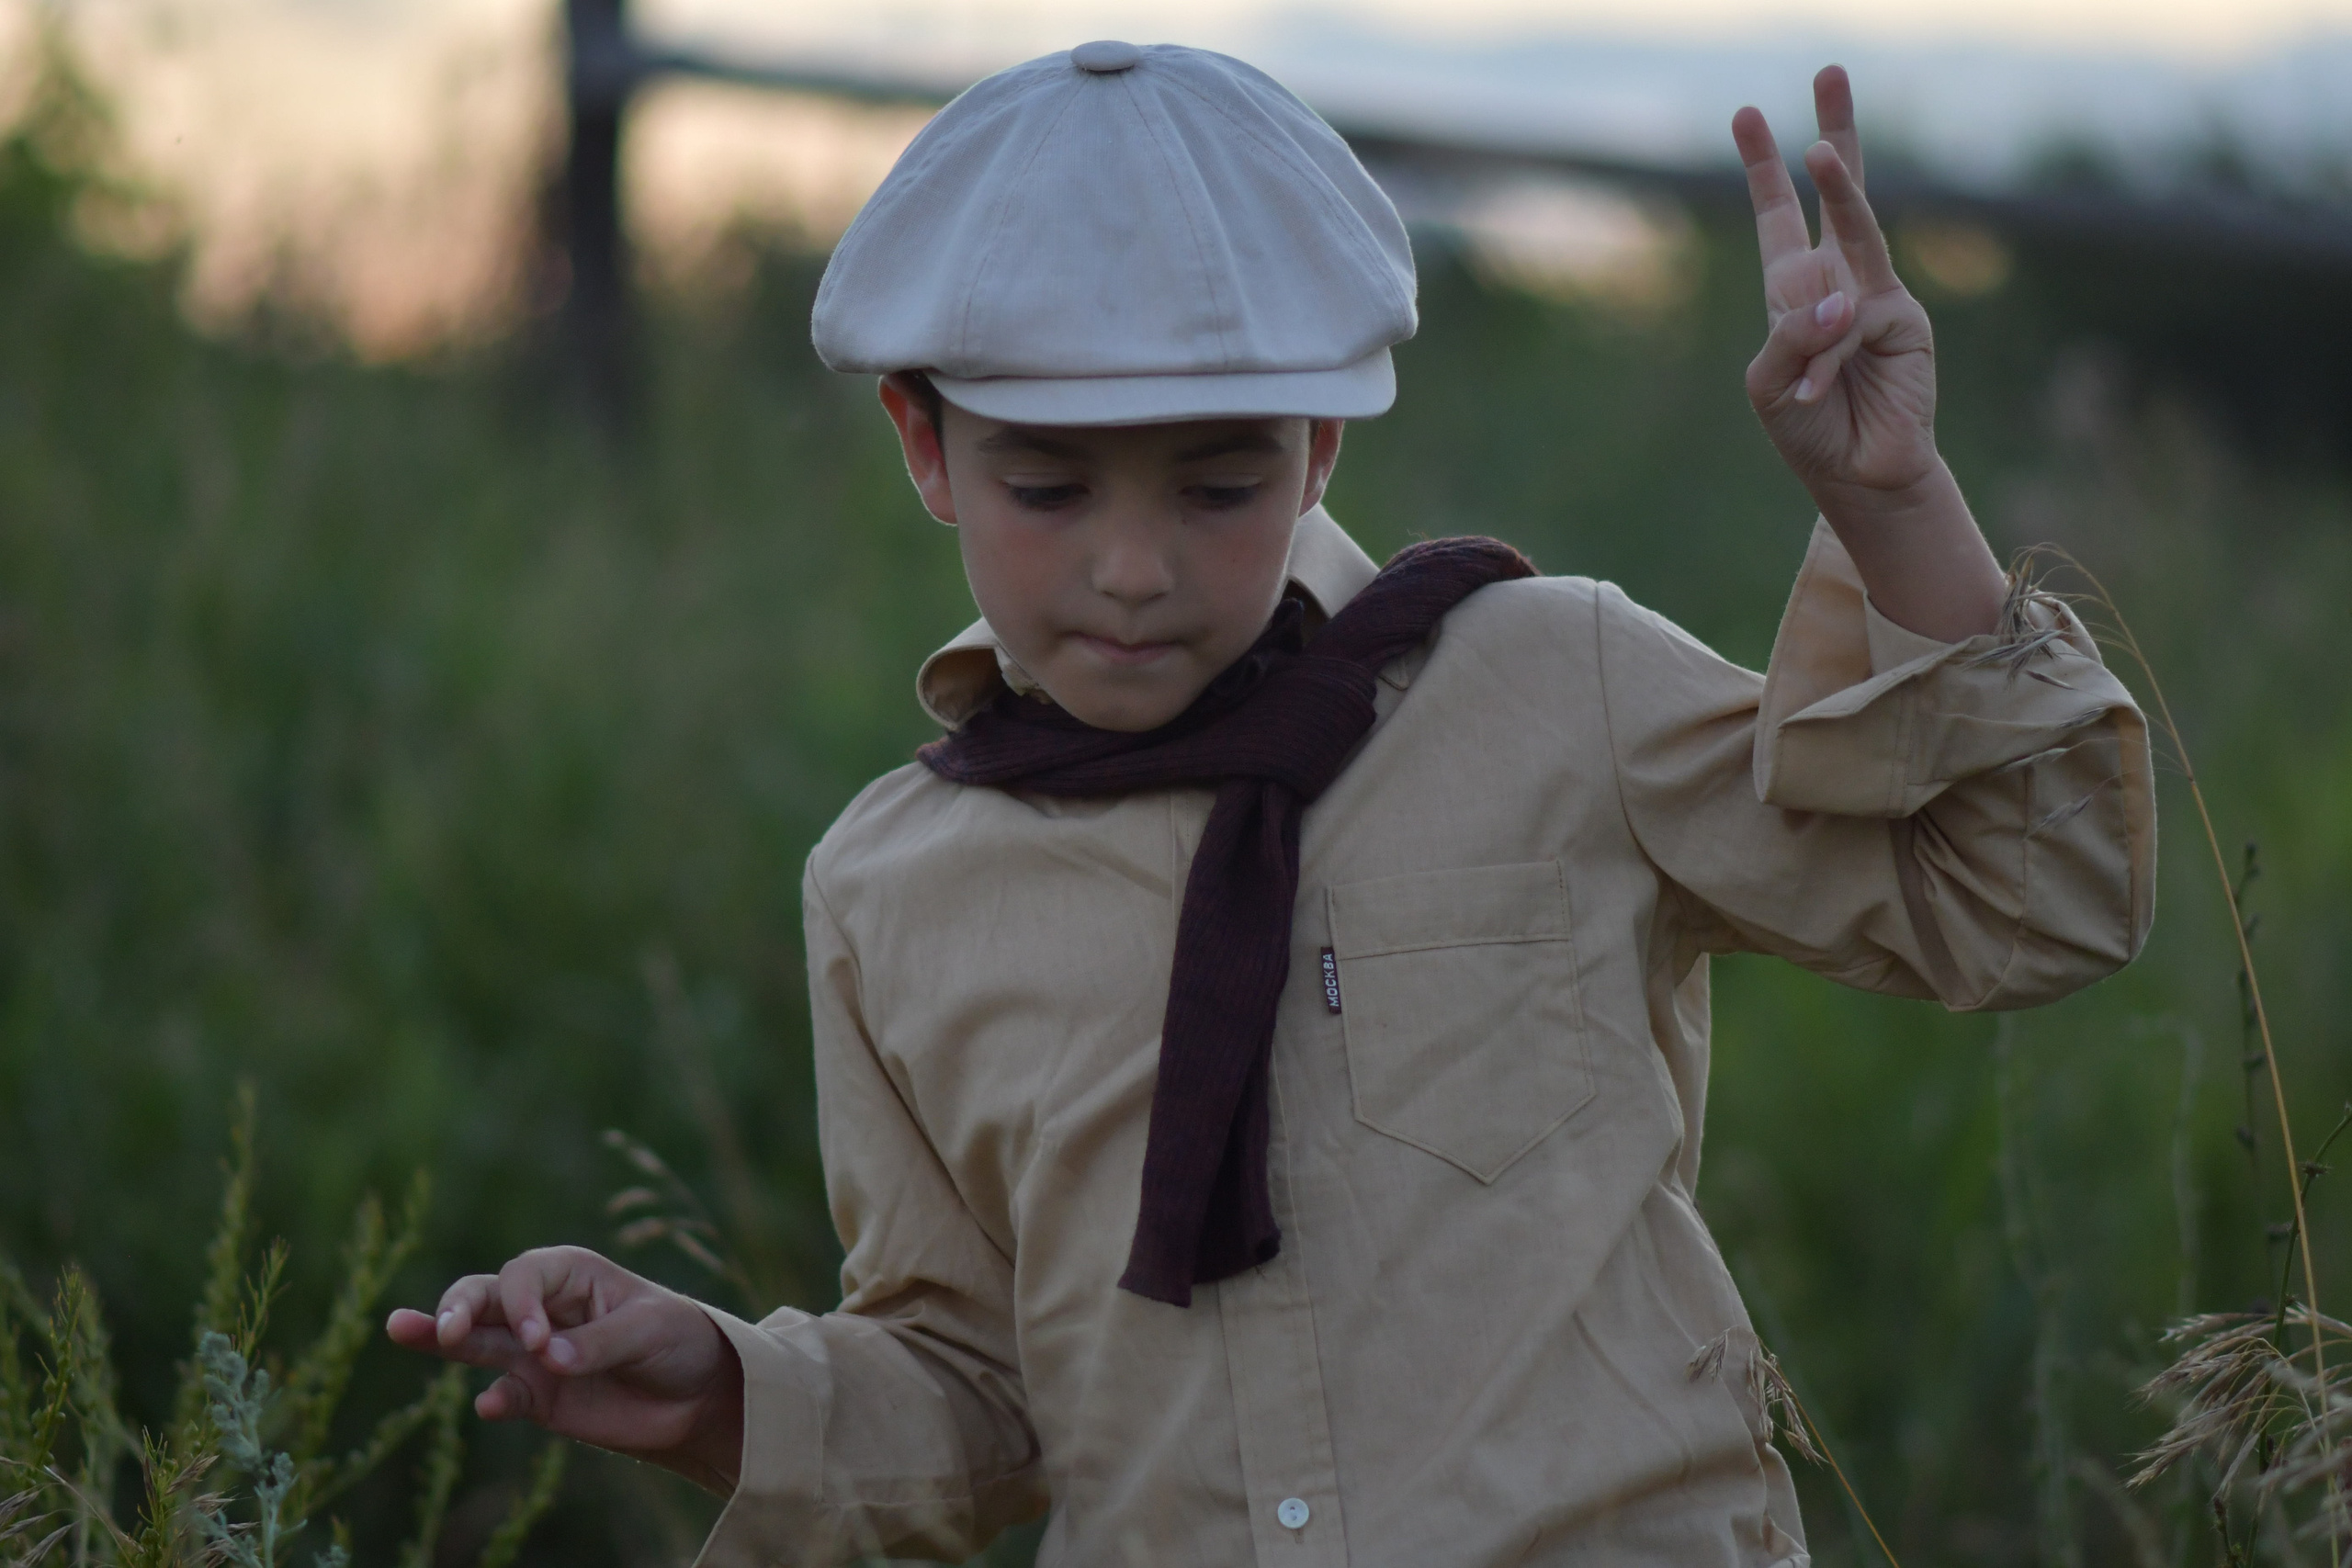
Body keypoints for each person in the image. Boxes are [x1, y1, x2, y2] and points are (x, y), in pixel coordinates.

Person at [389, 44, 2153, 1566]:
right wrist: (716, 1374)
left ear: (1322, 447)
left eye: (1221, 484)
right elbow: (991, 1390)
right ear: (925, 446)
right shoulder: (897, 885)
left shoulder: (1547, 685)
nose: (1136, 568)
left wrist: (1894, 499)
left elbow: (2031, 904)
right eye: (1049, 487)